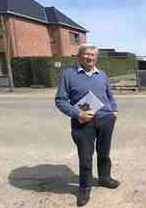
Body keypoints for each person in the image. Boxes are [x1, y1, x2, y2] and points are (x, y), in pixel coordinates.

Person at [55, 44, 119, 207]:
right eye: (86, 54)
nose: (90, 57)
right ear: (79, 56)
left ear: (96, 57)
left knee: (104, 153)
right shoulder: (68, 75)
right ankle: (84, 188)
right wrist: (78, 114)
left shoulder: (102, 75)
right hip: (83, 123)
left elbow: (109, 95)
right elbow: (60, 100)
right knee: (85, 158)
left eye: (92, 55)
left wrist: (114, 110)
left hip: (106, 120)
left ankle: (104, 178)